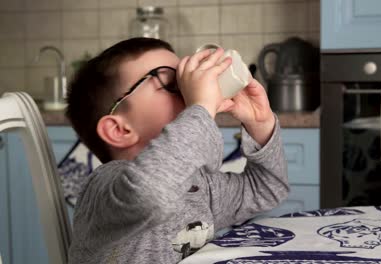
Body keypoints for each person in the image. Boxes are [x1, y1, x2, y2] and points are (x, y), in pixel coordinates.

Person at [65, 37, 289, 263]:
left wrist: (261, 125)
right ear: (119, 130)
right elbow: (150, 195)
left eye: (186, 80)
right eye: (173, 84)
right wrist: (201, 107)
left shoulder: (201, 187)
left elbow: (266, 189)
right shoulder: (105, 188)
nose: (188, 90)